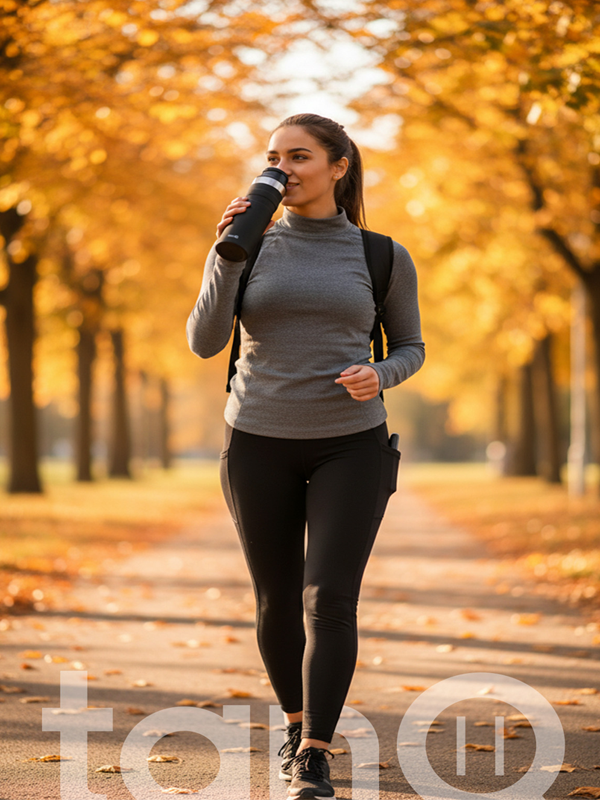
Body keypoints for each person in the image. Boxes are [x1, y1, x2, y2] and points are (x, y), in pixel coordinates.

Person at [186, 113, 425, 800]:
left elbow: (412, 345)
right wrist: (227, 253)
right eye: (273, 156)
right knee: (277, 600)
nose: (284, 168)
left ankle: (314, 752)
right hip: (257, 441)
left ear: (337, 167)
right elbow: (205, 342)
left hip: (352, 444)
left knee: (329, 597)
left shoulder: (381, 255)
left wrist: (379, 373)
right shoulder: (246, 245)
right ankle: (296, 724)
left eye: (300, 156)